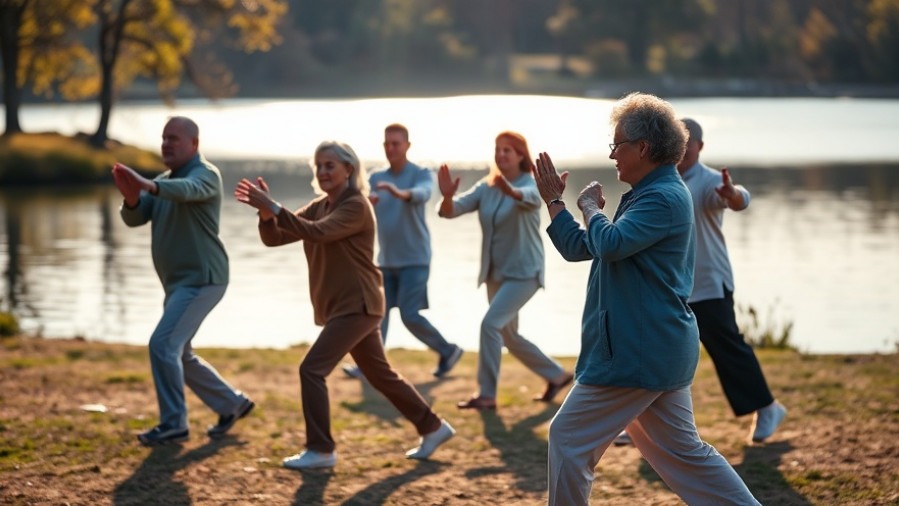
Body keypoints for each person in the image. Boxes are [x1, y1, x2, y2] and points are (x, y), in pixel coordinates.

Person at [533, 92, 760, 505]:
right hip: (652, 349)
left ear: (644, 147)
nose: (612, 154)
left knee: (567, 438)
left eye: (617, 144)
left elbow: (612, 242)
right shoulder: (644, 194)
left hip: (639, 352)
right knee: (686, 456)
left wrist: (588, 207)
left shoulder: (664, 197)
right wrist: (555, 203)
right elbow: (584, 247)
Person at [234, 140, 455, 470]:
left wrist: (276, 207)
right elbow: (276, 237)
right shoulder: (319, 205)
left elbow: (317, 233)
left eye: (330, 165)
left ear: (348, 170)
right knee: (380, 376)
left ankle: (321, 449)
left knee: (312, 370)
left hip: (359, 304)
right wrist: (267, 214)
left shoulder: (356, 205)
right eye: (318, 166)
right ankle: (433, 427)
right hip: (343, 305)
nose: (323, 171)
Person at [112, 116, 254, 446]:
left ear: (194, 144)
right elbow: (134, 218)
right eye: (164, 139)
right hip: (177, 284)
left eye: (174, 138)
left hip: (203, 279)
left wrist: (148, 185)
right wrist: (132, 197)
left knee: (163, 345)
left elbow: (187, 191)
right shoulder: (164, 180)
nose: (167, 144)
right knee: (180, 353)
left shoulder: (205, 175)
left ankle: (174, 423)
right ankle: (232, 403)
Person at [437, 131, 574, 410]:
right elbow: (449, 212)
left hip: (524, 273)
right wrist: (448, 197)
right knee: (509, 336)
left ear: (521, 155)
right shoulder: (486, 187)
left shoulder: (531, 184)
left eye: (507, 151)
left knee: (490, 326)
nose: (500, 155)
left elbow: (532, 199)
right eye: (497, 150)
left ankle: (486, 395)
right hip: (495, 274)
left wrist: (509, 191)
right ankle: (557, 375)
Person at [677, 118, 787, 443]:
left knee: (727, 348)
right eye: (676, 143)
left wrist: (734, 195)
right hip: (671, 283)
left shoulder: (710, 181)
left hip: (708, 283)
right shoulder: (658, 178)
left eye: (688, 144)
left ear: (700, 146)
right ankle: (638, 420)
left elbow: (738, 199)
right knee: (657, 348)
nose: (682, 150)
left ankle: (767, 408)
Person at [342, 123, 463, 380]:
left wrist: (400, 192)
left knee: (409, 315)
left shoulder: (420, 173)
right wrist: (366, 203)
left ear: (407, 145)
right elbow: (361, 209)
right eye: (387, 143)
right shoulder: (375, 178)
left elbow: (423, 194)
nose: (391, 148)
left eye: (396, 143)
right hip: (386, 259)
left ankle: (448, 349)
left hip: (415, 259)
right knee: (377, 314)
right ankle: (371, 366)